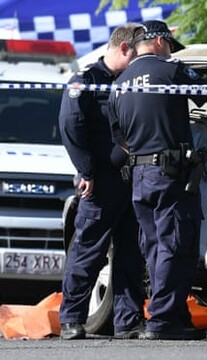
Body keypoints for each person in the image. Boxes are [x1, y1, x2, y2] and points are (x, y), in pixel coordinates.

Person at [107, 20, 207, 340]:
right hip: (170, 175)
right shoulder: (170, 70)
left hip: (140, 175)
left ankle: (174, 316)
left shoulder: (119, 84)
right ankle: (163, 321)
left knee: (154, 248)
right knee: (174, 247)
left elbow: (119, 140)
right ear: (161, 41)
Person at [58, 23, 147, 340]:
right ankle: (71, 318)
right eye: (137, 54)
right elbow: (71, 128)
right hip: (100, 181)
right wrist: (86, 172)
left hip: (131, 180)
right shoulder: (86, 81)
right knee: (88, 252)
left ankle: (128, 321)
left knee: (130, 254)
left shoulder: (131, 82)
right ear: (124, 49)